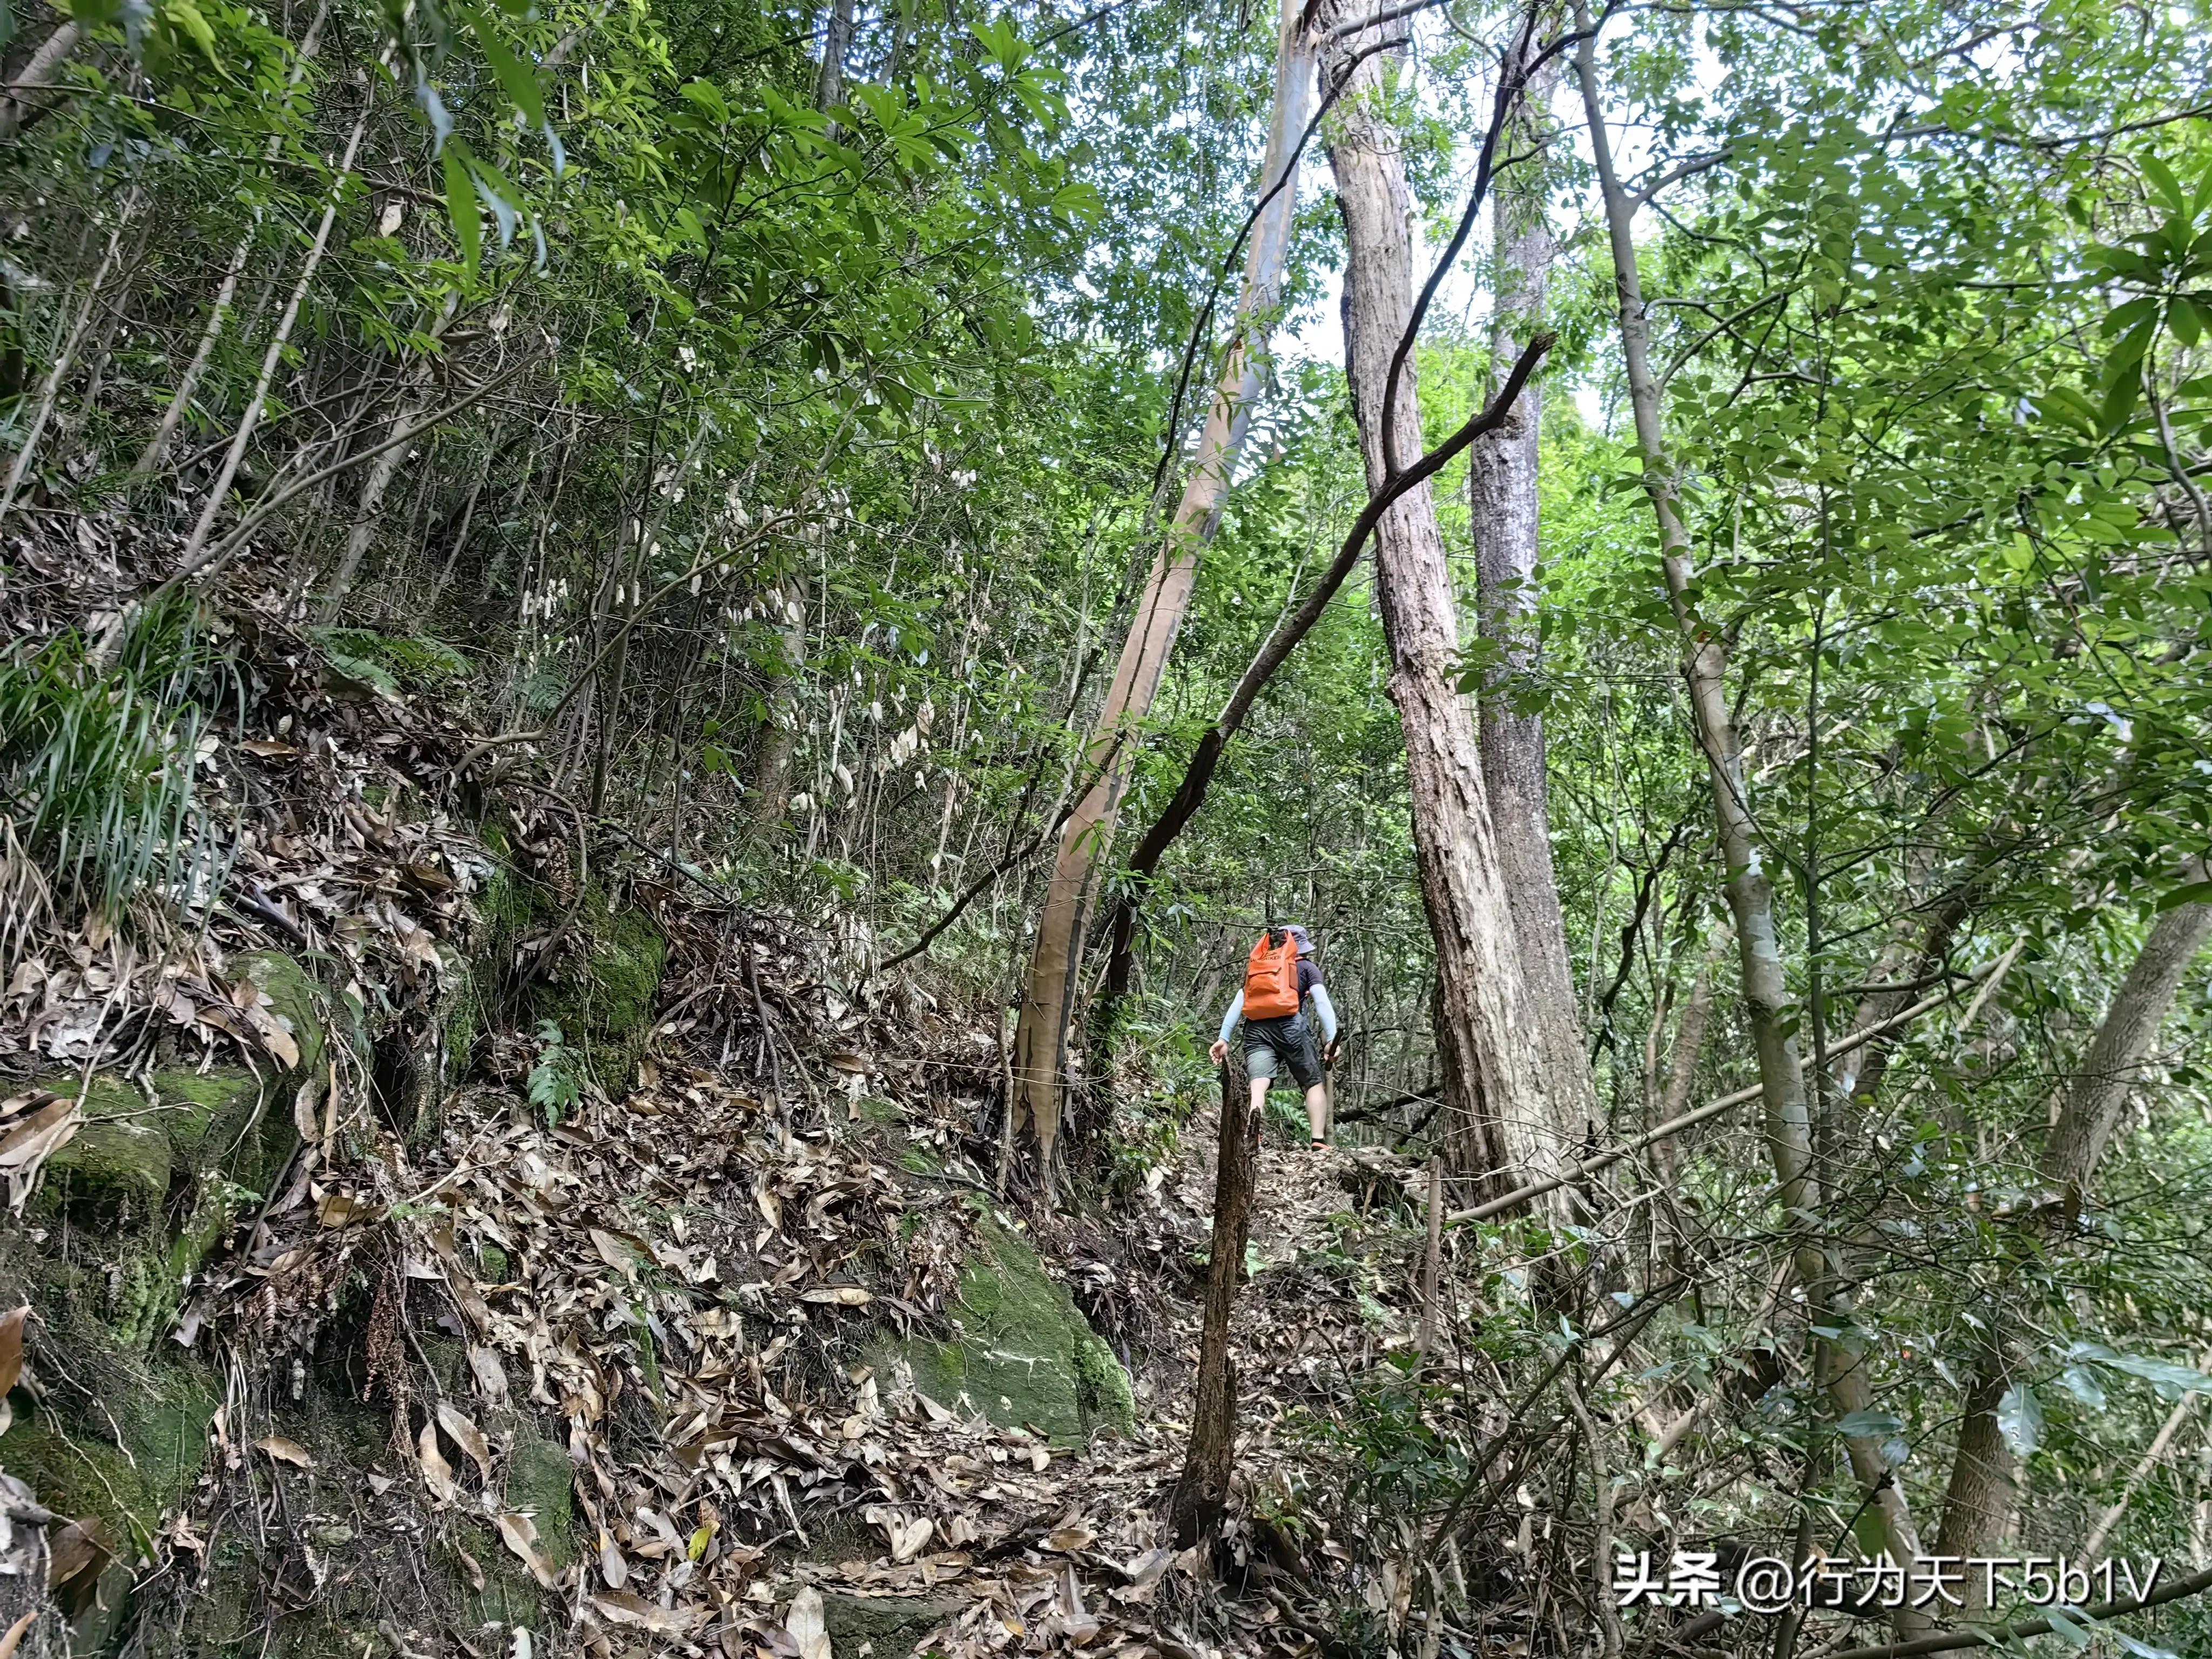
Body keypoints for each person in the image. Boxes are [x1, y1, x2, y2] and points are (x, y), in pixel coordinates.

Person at [1208, 922, 1341, 1150]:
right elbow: (1321, 1002)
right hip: (1292, 1028)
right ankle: (1317, 1140)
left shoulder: (1259, 967)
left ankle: (1253, 1133)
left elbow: (1239, 1001)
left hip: (1256, 1030)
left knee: (1258, 1086)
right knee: (1313, 1083)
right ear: (1302, 947)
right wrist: (1331, 1038)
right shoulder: (1308, 968)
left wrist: (1224, 1038)